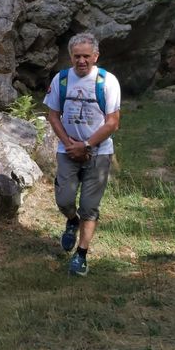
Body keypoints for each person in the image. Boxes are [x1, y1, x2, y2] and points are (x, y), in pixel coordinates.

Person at [44, 32, 121, 276]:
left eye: (86, 56)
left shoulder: (108, 82)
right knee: (64, 200)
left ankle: (81, 255)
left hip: (99, 153)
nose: (81, 61)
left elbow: (112, 123)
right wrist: (69, 144)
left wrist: (86, 145)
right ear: (71, 56)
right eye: (77, 56)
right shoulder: (61, 79)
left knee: (89, 207)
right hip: (67, 151)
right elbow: (53, 116)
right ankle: (72, 221)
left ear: (95, 56)